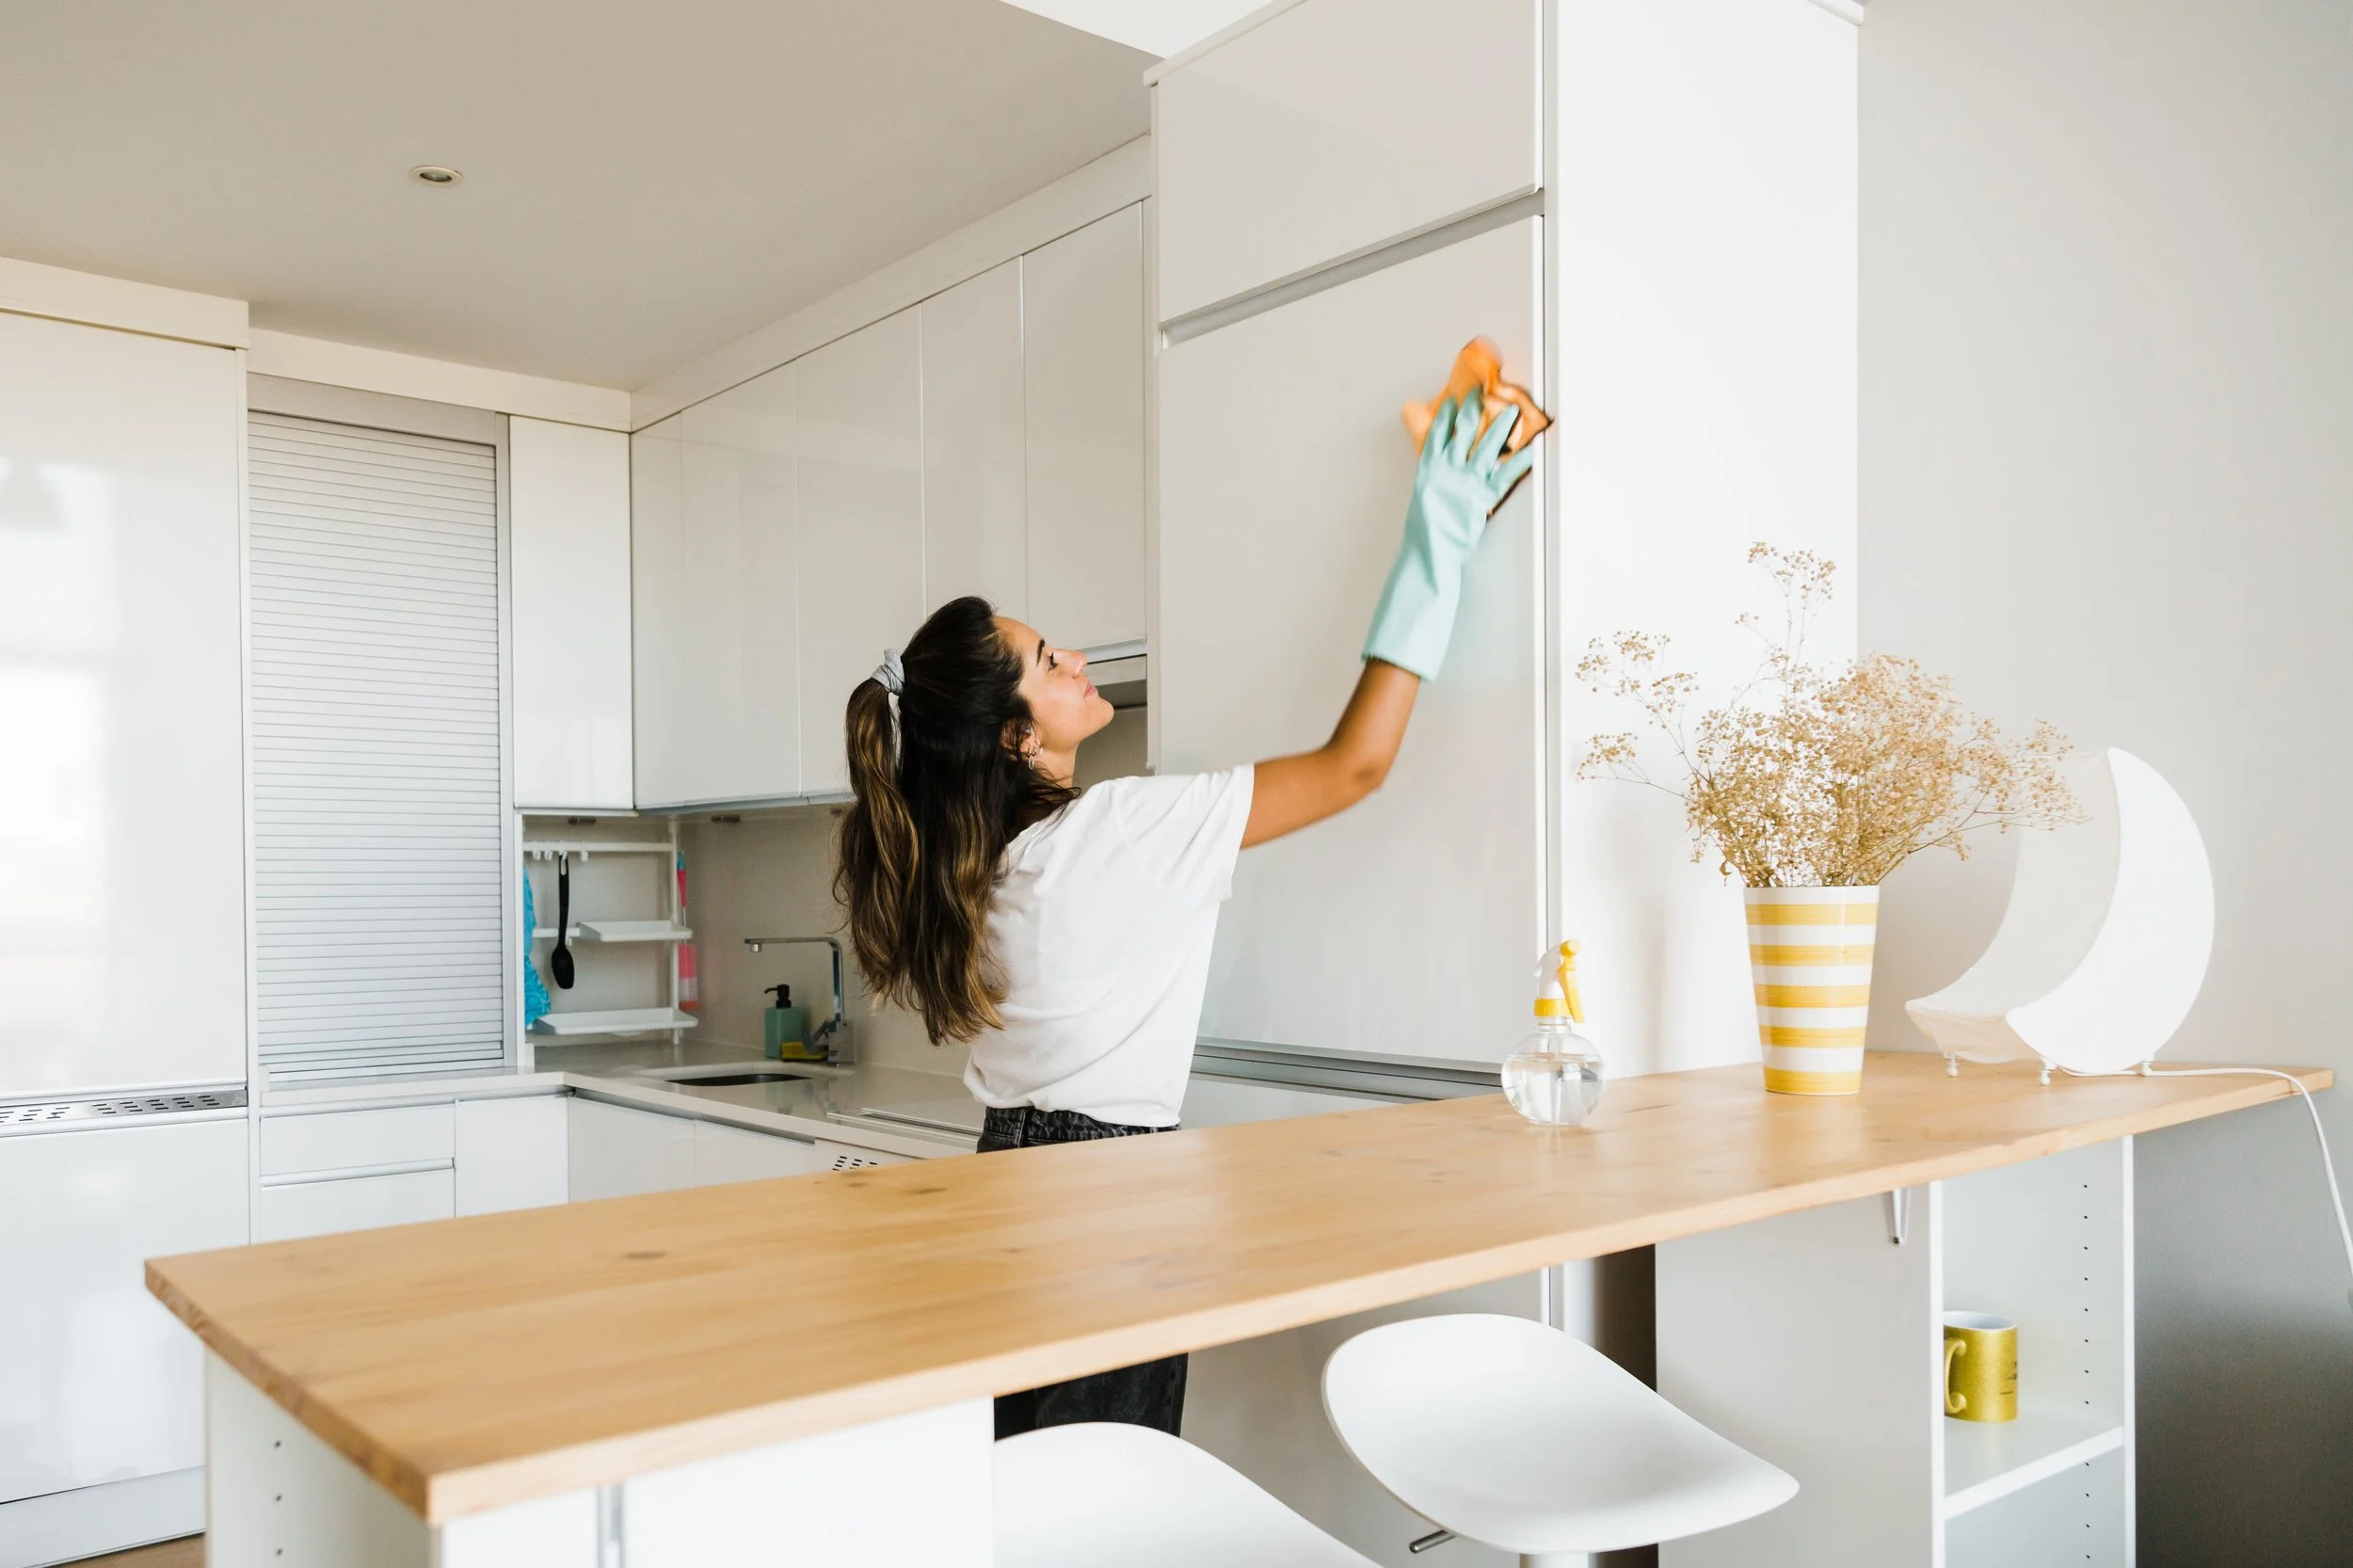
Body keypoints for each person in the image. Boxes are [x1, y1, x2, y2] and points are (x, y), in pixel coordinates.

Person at [834, 392, 1532, 1438]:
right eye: (1046, 663)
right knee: (1106, 1501)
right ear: (1015, 738)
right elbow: (1356, 764)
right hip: (1109, 1197)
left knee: (1033, 1485)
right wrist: (1442, 530)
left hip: (1008, 1178)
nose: (1076, 661)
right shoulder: (1114, 831)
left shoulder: (979, 868)